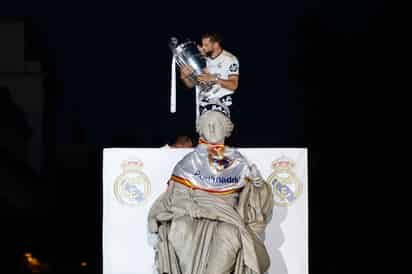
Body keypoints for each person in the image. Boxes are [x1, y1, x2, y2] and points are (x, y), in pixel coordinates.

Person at [148, 102, 273, 274]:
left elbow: (256, 204)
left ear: (227, 129)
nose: (212, 128)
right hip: (195, 214)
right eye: (208, 124)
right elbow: (176, 195)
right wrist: (189, 206)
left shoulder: (239, 163)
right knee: (180, 227)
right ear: (201, 129)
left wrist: (258, 184)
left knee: (229, 233)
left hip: (227, 217)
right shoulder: (189, 162)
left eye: (218, 123)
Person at [180, 33, 239, 114]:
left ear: (216, 44)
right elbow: (192, 84)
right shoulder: (203, 60)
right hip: (203, 107)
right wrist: (184, 77)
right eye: (202, 45)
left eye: (206, 45)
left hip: (221, 106)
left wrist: (214, 79)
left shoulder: (229, 59)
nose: (203, 48)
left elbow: (233, 85)